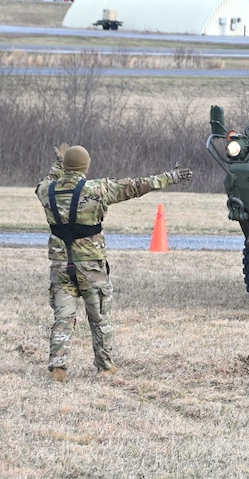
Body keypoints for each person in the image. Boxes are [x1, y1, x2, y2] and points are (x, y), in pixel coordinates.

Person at [35, 144, 192, 382]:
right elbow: (138, 185)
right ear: (86, 166)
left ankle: (59, 367)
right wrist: (171, 177)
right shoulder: (99, 189)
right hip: (91, 267)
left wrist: (59, 163)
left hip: (60, 265)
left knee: (62, 317)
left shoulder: (46, 190)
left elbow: (46, 179)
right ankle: (105, 366)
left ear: (65, 167)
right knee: (99, 317)